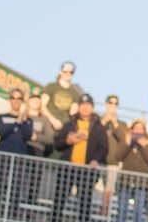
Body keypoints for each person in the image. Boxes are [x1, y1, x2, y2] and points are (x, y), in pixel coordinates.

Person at [51, 93, 108, 222]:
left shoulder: (98, 127)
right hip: (68, 168)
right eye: (82, 105)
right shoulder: (70, 124)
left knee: (84, 205)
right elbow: (57, 143)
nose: (85, 108)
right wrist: (68, 141)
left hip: (87, 171)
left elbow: (104, 147)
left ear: (92, 107)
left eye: (88, 105)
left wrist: (95, 160)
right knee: (59, 201)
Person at [0, 88, 33, 219]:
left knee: (16, 189)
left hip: (19, 159)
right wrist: (16, 121)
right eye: (13, 98)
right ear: (10, 99)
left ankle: (12, 217)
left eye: (19, 98)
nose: (16, 101)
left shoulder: (28, 120)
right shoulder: (2, 117)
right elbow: (1, 132)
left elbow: (28, 136)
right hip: (2, 156)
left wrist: (24, 120)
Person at [115, 119, 148, 222]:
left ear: (144, 131)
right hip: (126, 181)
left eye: (140, 128)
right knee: (122, 210)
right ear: (131, 129)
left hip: (142, 184)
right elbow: (118, 156)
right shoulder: (126, 141)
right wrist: (126, 144)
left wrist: (144, 146)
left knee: (138, 212)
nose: (138, 131)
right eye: (135, 128)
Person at [23, 91, 53, 207]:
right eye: (32, 99)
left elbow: (50, 139)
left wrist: (37, 137)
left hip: (37, 152)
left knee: (34, 182)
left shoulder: (44, 119)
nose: (35, 102)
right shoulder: (24, 116)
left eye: (37, 100)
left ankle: (30, 207)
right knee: (20, 180)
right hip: (23, 150)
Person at [102, 94, 127, 215]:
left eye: (115, 103)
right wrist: (104, 121)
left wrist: (115, 123)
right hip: (99, 161)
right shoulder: (99, 120)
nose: (113, 105)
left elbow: (125, 139)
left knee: (109, 189)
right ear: (106, 104)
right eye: (110, 102)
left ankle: (105, 212)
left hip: (113, 163)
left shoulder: (121, 124)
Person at [42, 61, 83, 133]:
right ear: (61, 72)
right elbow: (42, 106)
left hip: (64, 128)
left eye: (71, 72)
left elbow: (72, 114)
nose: (68, 74)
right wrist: (53, 120)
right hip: (48, 123)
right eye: (65, 71)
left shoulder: (75, 93)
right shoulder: (51, 86)